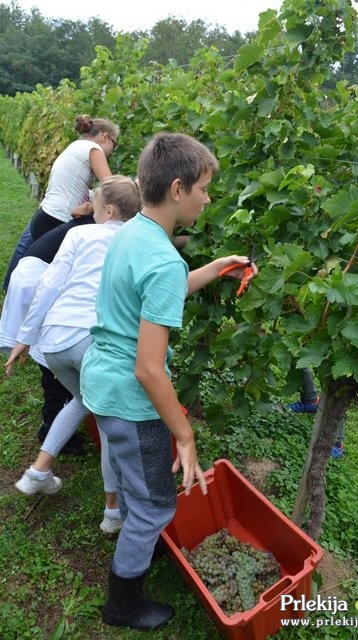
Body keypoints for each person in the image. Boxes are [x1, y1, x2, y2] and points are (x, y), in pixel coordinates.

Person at [79, 132, 257, 630]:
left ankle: (136, 540)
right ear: (178, 189)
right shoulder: (160, 258)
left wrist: (214, 268)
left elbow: (160, 285)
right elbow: (150, 369)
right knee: (157, 505)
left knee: (139, 484)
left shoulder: (137, 231)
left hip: (103, 380)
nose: (207, 198)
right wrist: (185, 432)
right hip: (130, 398)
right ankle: (123, 604)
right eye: (203, 188)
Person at [5, 175, 142, 534]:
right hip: (91, 341)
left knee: (82, 400)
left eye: (95, 208)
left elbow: (49, 284)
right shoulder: (134, 241)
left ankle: (39, 471)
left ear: (108, 208)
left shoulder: (78, 234)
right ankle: (113, 512)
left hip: (53, 343)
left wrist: (24, 337)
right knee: (110, 421)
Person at [0, 204, 95, 455]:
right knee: (53, 359)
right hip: (38, 282)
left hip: (34, 274)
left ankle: (55, 422)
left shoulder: (91, 220)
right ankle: (53, 426)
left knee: (53, 356)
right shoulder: (100, 230)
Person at [3, 114, 118, 290]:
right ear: (104, 136)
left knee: (27, 261)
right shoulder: (94, 149)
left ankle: (10, 293)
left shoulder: (74, 147)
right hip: (59, 218)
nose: (113, 151)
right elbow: (112, 188)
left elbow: (73, 186)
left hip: (45, 214)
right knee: (52, 278)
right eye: (114, 144)